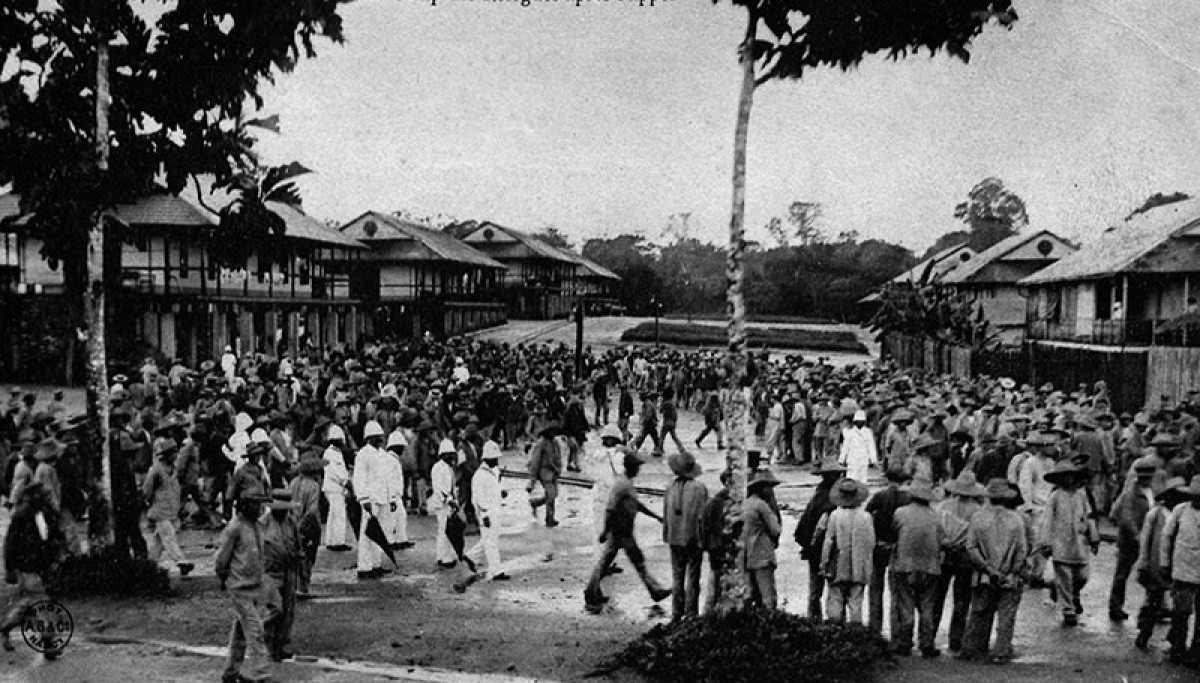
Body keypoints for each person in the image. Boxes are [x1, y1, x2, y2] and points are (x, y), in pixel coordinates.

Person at [584, 449, 671, 613]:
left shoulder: (627, 484)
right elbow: (610, 508)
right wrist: (605, 531)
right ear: (631, 468)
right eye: (637, 467)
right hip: (619, 530)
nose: (639, 470)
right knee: (615, 561)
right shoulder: (621, 485)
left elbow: (636, 505)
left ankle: (655, 590)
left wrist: (656, 516)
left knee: (626, 560)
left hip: (624, 530)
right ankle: (591, 591)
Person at [959, 479, 1028, 664]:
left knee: (979, 612)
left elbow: (971, 547)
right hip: (1010, 575)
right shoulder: (1016, 520)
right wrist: (1013, 571)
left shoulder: (978, 518)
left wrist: (988, 569)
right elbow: (1022, 550)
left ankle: (974, 648)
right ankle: (1001, 651)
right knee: (1006, 616)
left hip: (984, 575)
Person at [1, 483, 64, 657]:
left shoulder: (48, 514)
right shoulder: (21, 518)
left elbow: (55, 537)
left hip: (43, 567)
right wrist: (10, 568)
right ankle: (48, 643)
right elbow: (10, 544)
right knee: (41, 603)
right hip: (28, 567)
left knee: (28, 606)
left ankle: (5, 627)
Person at [216, 492, 271, 683]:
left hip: (254, 585)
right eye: (255, 505)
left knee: (241, 631)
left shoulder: (257, 526)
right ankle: (262, 674)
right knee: (255, 631)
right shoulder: (235, 528)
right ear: (245, 506)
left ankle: (230, 672)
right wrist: (224, 578)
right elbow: (222, 559)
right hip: (240, 587)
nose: (259, 509)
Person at [890, 479, 949, 657]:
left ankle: (905, 642)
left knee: (906, 606)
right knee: (927, 607)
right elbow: (943, 540)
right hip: (930, 567)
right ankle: (927, 643)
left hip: (905, 566)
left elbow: (894, 533)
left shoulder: (900, 513)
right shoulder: (935, 516)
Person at [1037, 460, 1099, 627]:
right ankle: (1068, 609)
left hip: (1079, 542)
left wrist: (1093, 536)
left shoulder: (1081, 496)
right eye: (1064, 477)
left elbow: (1089, 516)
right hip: (1061, 542)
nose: (1068, 480)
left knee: (1082, 576)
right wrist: (1046, 542)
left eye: (1070, 476)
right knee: (1064, 576)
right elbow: (1047, 520)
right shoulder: (1055, 497)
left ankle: (1067, 591)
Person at [1135, 476, 1186, 650]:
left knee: (1179, 604)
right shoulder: (1155, 514)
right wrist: (1143, 563)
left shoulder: (1182, 514)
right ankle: (1144, 632)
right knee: (1154, 599)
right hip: (1156, 564)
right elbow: (1145, 540)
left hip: (1178, 563)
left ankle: (1175, 639)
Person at [1108, 459, 1156, 621]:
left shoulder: (1152, 492)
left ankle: (1152, 606)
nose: (1147, 480)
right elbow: (1125, 517)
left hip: (1147, 539)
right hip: (1130, 541)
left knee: (1150, 574)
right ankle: (1115, 606)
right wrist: (1136, 535)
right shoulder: (1130, 494)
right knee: (1122, 575)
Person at [662, 450, 708, 620]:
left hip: (674, 537)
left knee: (677, 576)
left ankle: (676, 612)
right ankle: (691, 613)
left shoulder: (670, 487)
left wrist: (666, 534)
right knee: (693, 576)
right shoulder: (699, 488)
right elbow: (702, 516)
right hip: (693, 537)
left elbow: (665, 513)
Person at [822, 477, 874, 624]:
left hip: (838, 565)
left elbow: (828, 542)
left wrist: (824, 563)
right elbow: (871, 543)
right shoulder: (866, 517)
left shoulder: (835, 516)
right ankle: (855, 632)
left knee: (835, 600)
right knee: (856, 603)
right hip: (859, 567)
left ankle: (836, 631)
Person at [796, 460, 844, 619]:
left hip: (815, 549)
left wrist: (807, 545)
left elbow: (806, 524)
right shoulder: (835, 499)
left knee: (815, 591)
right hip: (831, 549)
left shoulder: (817, 496)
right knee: (835, 590)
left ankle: (813, 619)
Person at [865, 466, 911, 632]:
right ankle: (895, 629)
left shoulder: (879, 496)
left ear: (887, 479)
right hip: (897, 547)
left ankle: (875, 626)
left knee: (875, 589)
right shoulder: (907, 498)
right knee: (896, 591)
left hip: (878, 545)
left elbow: (867, 515)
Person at [458, 440, 509, 588]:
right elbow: (478, 498)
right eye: (495, 459)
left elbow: (494, 490)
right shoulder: (479, 475)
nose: (497, 461)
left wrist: (501, 493)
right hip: (487, 513)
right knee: (491, 543)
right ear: (487, 459)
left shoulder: (494, 471)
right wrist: (484, 515)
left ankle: (470, 557)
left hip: (495, 510)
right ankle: (496, 571)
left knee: (489, 539)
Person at [1161, 475, 1200, 663]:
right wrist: (1164, 563)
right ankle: (1177, 647)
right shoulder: (1180, 511)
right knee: (1181, 612)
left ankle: (1196, 652)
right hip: (1183, 569)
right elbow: (1166, 537)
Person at [143, 437, 194, 577]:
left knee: (159, 541)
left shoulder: (174, 469)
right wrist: (148, 502)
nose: (176, 455)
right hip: (159, 510)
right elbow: (147, 489)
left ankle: (150, 564)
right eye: (173, 452)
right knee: (169, 537)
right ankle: (181, 561)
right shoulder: (156, 470)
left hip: (171, 510)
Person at [261, 489, 302, 662]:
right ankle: (264, 642)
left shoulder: (291, 523)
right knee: (274, 608)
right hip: (269, 571)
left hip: (288, 569)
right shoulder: (263, 523)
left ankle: (281, 645)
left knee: (287, 609)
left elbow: (298, 545)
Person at [288, 453, 325, 597]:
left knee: (296, 555)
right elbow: (312, 510)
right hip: (308, 525)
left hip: (293, 522)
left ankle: (295, 585)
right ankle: (303, 586)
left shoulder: (293, 483)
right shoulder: (314, 486)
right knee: (308, 556)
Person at [701, 469, 735, 614]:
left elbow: (704, 527)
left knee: (715, 582)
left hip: (715, 547)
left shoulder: (713, 502)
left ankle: (710, 613)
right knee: (718, 583)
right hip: (721, 546)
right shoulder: (720, 502)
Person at [431, 438, 461, 568]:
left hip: (449, 503)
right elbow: (439, 488)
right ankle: (444, 558)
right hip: (442, 504)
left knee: (447, 530)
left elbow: (452, 486)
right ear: (443, 454)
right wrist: (449, 500)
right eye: (449, 454)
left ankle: (443, 555)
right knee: (444, 530)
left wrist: (455, 500)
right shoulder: (438, 468)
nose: (452, 457)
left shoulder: (449, 468)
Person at [321, 425, 352, 551]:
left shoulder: (336, 453)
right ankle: (338, 542)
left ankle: (331, 541)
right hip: (333, 487)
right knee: (339, 514)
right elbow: (333, 472)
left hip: (336, 487)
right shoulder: (330, 453)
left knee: (334, 514)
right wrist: (345, 482)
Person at [526, 421, 563, 528]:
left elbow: (558, 457)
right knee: (551, 494)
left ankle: (535, 503)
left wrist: (558, 469)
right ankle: (549, 518)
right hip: (544, 472)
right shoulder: (541, 444)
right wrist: (532, 479)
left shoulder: (555, 443)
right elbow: (535, 461)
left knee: (554, 494)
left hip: (554, 471)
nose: (553, 434)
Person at [383, 430, 411, 550]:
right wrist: (392, 498)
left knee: (401, 516)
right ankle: (391, 541)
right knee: (392, 519)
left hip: (397, 494)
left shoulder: (394, 459)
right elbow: (389, 480)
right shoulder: (389, 459)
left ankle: (401, 539)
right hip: (392, 494)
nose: (403, 450)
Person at [839, 410, 878, 484]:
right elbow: (845, 447)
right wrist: (841, 459)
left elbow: (871, 446)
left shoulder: (867, 432)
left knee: (863, 480)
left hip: (863, 459)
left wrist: (873, 459)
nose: (860, 423)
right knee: (852, 479)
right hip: (852, 459)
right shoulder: (850, 432)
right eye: (858, 421)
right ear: (855, 422)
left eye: (862, 421)